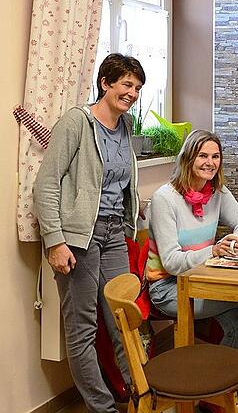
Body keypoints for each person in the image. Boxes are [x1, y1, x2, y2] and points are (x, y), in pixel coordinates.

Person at [34, 53, 145, 413]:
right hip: (78, 238)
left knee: (123, 319)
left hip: (113, 233)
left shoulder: (125, 127)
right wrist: (55, 241)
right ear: (106, 83)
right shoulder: (76, 123)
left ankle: (142, 398)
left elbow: (116, 183)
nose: (132, 93)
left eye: (138, 87)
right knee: (82, 329)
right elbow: (46, 185)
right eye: (127, 84)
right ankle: (104, 409)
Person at [145, 130, 238, 352]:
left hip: (204, 280)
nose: (210, 163)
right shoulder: (164, 199)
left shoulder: (217, 192)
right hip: (168, 288)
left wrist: (235, 242)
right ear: (188, 158)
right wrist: (213, 251)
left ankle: (222, 378)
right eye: (202, 156)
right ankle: (219, 379)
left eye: (215, 157)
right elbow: (172, 262)